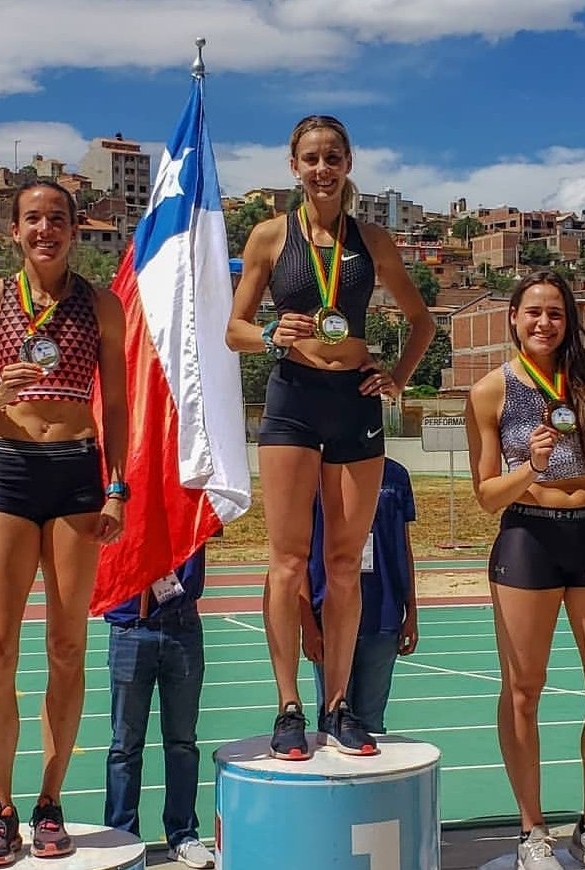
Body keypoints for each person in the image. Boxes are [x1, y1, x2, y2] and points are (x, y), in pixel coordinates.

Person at [226, 114, 434, 760]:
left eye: (333, 157)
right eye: (311, 158)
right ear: (294, 166)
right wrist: (268, 334)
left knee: (345, 564)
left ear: (349, 164)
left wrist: (396, 377)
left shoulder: (372, 240)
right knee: (287, 561)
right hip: (293, 399)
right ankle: (289, 705)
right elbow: (233, 328)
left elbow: (422, 321)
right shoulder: (269, 236)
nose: (322, 169)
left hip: (355, 402)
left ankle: (338, 705)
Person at [0, 179, 128, 866]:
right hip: (11, 469)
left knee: (67, 645)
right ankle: (0, 808)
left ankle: (50, 800)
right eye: (32, 219)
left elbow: (118, 405)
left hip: (77, 472)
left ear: (75, 229)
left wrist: (118, 488)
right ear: (14, 231)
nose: (45, 229)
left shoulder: (100, 304)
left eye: (57, 218)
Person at [464, 270, 585, 870]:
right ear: (513, 318)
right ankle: (531, 832)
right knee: (524, 689)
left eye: (556, 313)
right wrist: (531, 467)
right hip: (528, 539)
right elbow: (487, 495)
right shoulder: (490, 390)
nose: (544, 322)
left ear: (569, 322)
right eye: (534, 312)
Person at [103, 546, 213, 870]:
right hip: (130, 625)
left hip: (183, 625)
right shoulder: (120, 509)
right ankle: (122, 837)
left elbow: (218, 518)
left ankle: (182, 835)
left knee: (182, 742)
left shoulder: (191, 508)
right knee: (124, 746)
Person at [301, 457, 418, 733]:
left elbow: (404, 547)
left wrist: (412, 611)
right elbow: (299, 553)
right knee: (332, 718)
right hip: (329, 615)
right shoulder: (316, 475)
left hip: (383, 614)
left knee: (371, 723)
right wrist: (307, 623)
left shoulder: (396, 475)